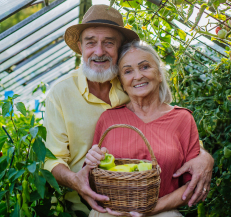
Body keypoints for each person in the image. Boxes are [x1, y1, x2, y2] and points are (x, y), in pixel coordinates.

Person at [44, 5, 214, 216]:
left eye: (108, 43)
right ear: (80, 47)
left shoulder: (133, 81)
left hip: (150, 201)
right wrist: (77, 182)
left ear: (120, 48)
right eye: (91, 43)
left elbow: (177, 137)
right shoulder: (61, 93)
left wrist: (205, 157)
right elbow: (53, 158)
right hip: (87, 203)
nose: (99, 51)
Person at [84, 41, 200, 217]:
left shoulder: (182, 119)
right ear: (122, 83)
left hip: (163, 213)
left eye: (145, 67)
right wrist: (91, 161)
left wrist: (152, 209)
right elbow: (91, 180)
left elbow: (192, 185)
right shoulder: (108, 119)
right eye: (128, 71)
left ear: (159, 74)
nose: (138, 76)